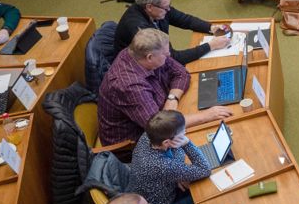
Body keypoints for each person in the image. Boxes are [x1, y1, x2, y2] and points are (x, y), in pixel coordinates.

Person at [98, 28, 231, 147]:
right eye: (165, 55)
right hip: (134, 144)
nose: (169, 56)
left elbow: (181, 73)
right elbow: (160, 127)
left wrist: (172, 99)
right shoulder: (129, 86)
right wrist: (206, 116)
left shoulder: (143, 54)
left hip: (161, 115)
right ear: (149, 57)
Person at [113, 0, 231, 65]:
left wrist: (211, 27)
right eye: (165, 7)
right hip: (139, 68)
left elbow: (185, 20)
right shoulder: (141, 31)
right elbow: (172, 58)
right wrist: (211, 46)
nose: (169, 10)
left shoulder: (159, 9)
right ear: (149, 7)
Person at [127, 110, 211, 204]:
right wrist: (186, 143)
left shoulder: (150, 135)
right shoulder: (162, 165)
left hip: (155, 190)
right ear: (166, 142)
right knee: (207, 198)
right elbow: (205, 169)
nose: (185, 133)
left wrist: (177, 174)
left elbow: (176, 157)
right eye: (182, 133)